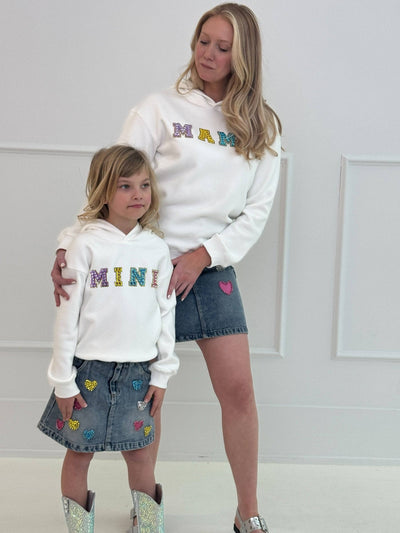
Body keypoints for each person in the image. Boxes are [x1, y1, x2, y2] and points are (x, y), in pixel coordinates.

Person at [52, 3, 281, 532]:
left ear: (244, 56)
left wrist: (202, 256)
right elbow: (111, 180)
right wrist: (68, 245)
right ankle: (145, 505)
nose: (209, 54)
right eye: (204, 41)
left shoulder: (262, 126)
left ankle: (248, 512)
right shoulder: (158, 109)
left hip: (210, 269)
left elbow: (257, 211)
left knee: (239, 391)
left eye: (223, 47)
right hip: (143, 269)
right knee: (147, 396)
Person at [40, 145, 179, 533]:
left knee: (140, 456)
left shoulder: (156, 248)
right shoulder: (84, 245)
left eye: (145, 185)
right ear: (103, 191)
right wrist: (63, 381)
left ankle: (148, 525)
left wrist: (162, 374)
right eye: (125, 186)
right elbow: (67, 318)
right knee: (79, 454)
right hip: (88, 373)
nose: (138, 194)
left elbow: (166, 314)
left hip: (139, 373)